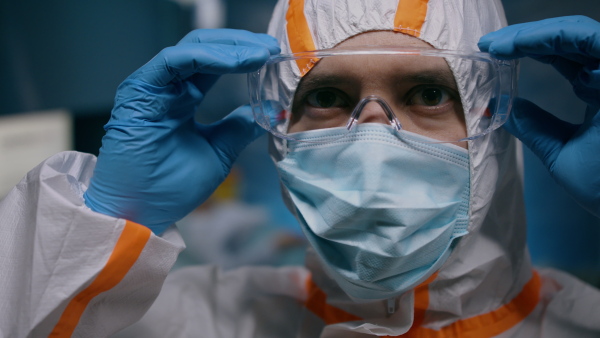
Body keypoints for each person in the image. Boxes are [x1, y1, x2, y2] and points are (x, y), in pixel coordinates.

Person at [1, 0, 599, 337]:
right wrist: (102, 222)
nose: (373, 145)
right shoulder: (187, 323)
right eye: (328, 97)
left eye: (427, 93)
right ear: (280, 127)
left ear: (491, 117)